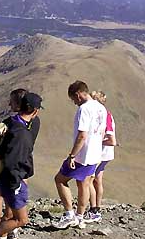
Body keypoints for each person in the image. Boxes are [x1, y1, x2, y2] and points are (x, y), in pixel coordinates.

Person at [0, 92, 43, 239]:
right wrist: (15, 183)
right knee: (20, 218)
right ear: (35, 111)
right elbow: (13, 162)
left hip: (9, 176)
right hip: (15, 179)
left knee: (10, 210)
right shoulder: (22, 132)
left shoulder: (11, 124)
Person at [53, 80, 106, 229]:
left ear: (78, 95)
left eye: (73, 99)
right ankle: (80, 217)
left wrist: (72, 156)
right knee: (84, 184)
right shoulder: (101, 108)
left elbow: (82, 135)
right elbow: (101, 132)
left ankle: (70, 214)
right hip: (95, 154)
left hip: (83, 155)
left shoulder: (84, 109)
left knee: (60, 179)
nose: (74, 103)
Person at [88, 90, 117, 222]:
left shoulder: (104, 115)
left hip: (101, 153)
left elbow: (112, 140)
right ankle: (96, 208)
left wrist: (96, 140)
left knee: (88, 179)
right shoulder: (104, 114)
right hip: (104, 153)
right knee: (97, 180)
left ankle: (93, 209)